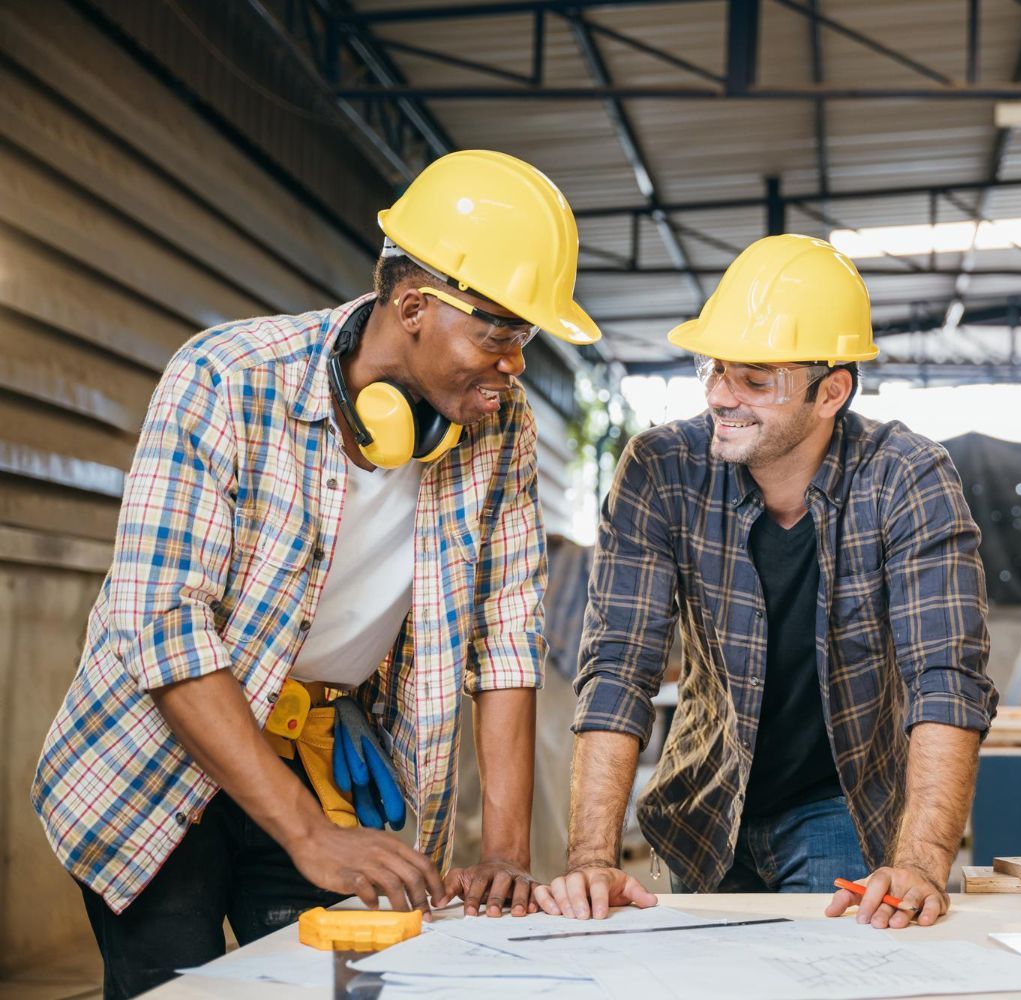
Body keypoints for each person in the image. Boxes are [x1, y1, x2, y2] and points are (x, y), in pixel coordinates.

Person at [32, 150, 600, 999]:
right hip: (156, 761)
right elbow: (162, 624)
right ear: (413, 305)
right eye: (501, 333)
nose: (516, 364)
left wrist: (507, 855)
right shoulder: (226, 378)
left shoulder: (499, 428)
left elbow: (505, 633)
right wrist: (306, 834)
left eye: (527, 339)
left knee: (331, 984)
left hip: (318, 752)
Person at [533, 234, 998, 931]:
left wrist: (923, 862)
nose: (722, 395)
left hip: (836, 804)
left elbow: (945, 677)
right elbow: (619, 668)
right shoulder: (661, 472)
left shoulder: (907, 477)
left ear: (830, 391)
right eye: (715, 369)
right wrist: (592, 859)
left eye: (755, 380)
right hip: (703, 801)